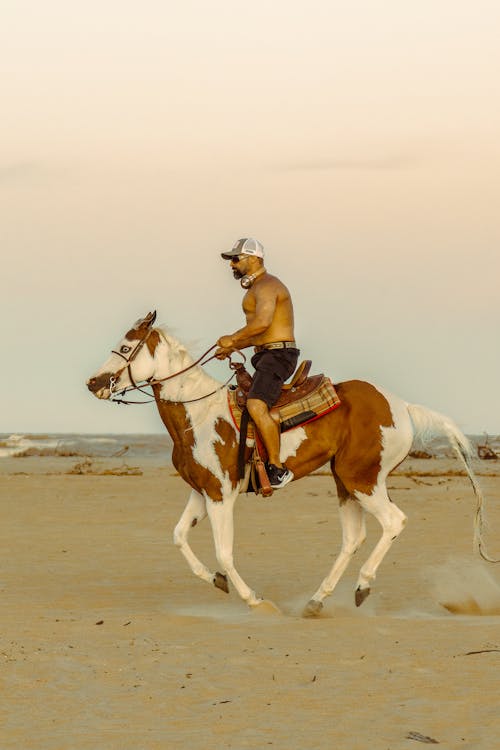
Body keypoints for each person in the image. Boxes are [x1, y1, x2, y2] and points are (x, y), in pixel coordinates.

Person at [216, 238, 299, 489]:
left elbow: (262, 323)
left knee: (255, 403)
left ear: (254, 259)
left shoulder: (267, 285)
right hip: (265, 354)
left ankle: (277, 467)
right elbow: (260, 333)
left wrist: (233, 338)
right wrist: (232, 347)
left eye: (235, 259)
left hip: (278, 356)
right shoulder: (258, 287)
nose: (232, 264)